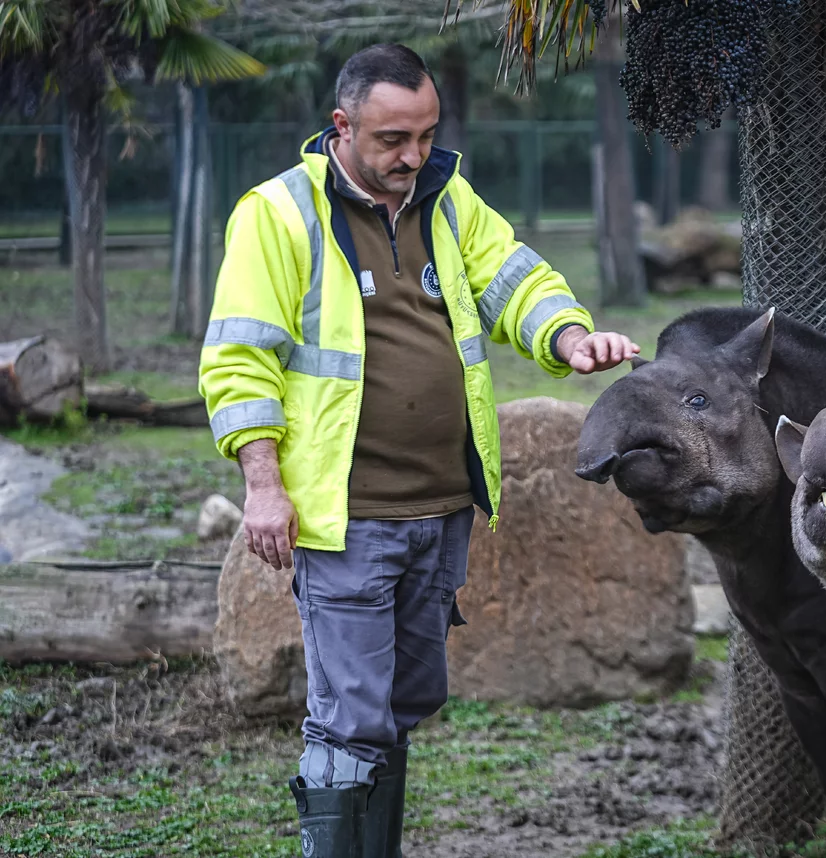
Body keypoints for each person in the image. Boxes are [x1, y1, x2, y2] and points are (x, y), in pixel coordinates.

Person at [197, 42, 639, 858]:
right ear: (342, 126)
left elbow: (512, 276)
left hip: (441, 511)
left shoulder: (445, 197)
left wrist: (571, 336)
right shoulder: (279, 213)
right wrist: (262, 485)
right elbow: (240, 359)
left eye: (426, 135)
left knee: (409, 697)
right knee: (351, 718)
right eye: (393, 140)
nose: (414, 156)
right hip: (348, 518)